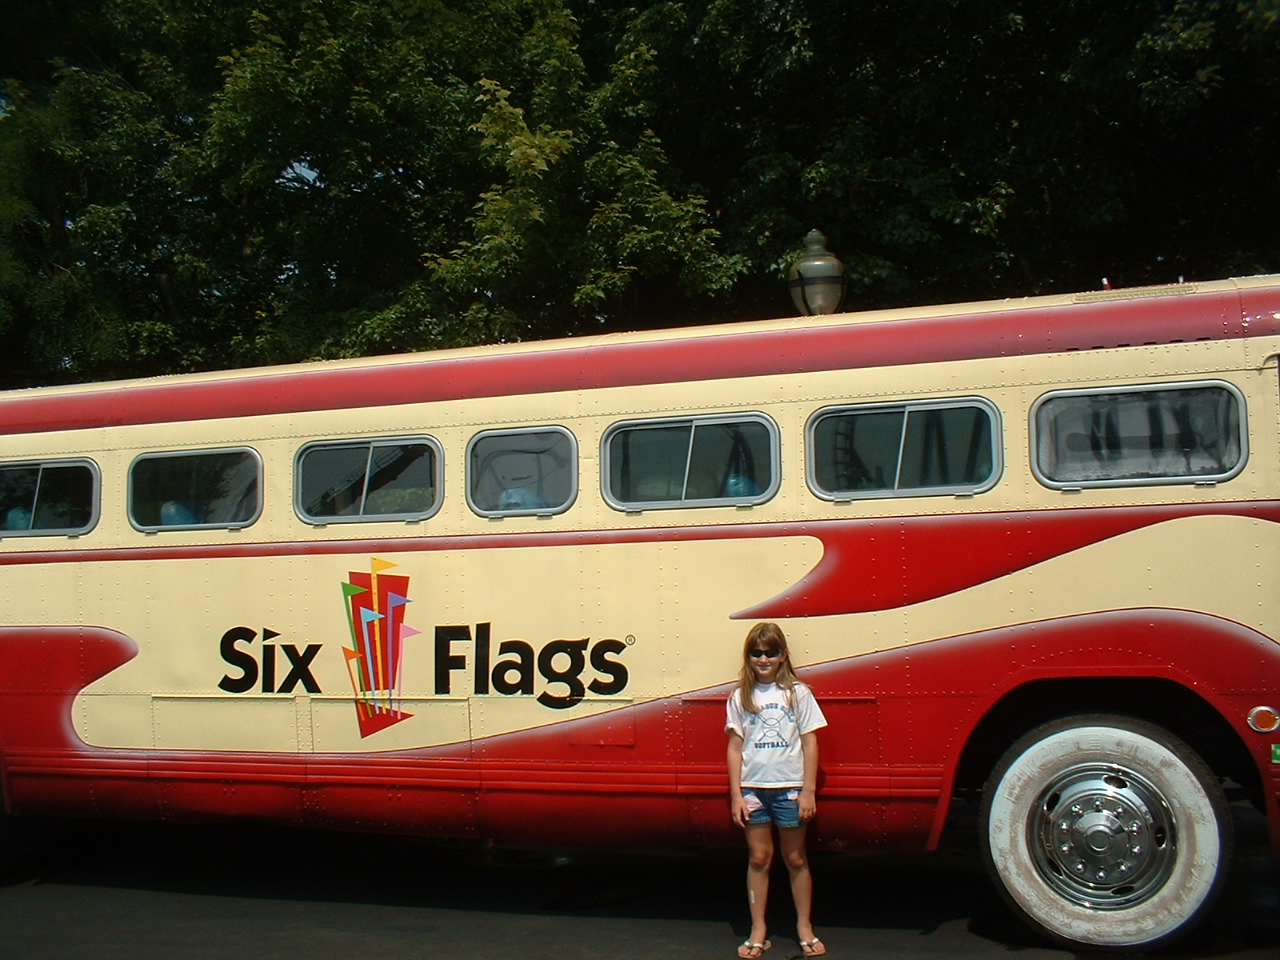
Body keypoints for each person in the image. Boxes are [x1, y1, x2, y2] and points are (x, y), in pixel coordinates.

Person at [726, 622, 828, 958]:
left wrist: (809, 790)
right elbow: (735, 748)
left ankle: (804, 927)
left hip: (789, 790)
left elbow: (810, 742)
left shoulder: (798, 693)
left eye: (771, 652)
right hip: (754, 789)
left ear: (783, 655)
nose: (763, 658)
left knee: (795, 858)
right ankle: (758, 929)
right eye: (757, 653)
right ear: (749, 656)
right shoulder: (740, 696)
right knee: (759, 858)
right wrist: (736, 795)